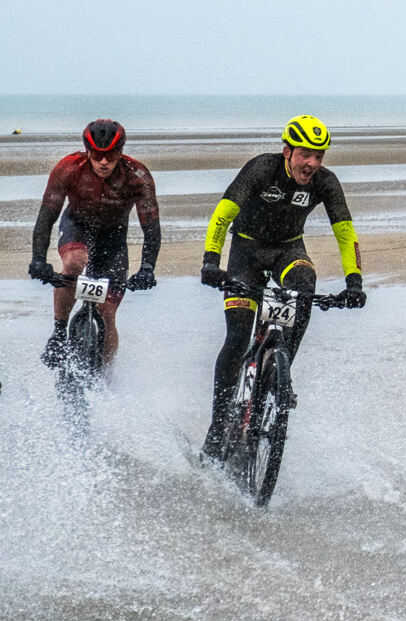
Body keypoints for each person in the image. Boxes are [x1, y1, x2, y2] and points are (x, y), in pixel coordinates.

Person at [199, 115, 366, 461]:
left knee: (305, 285)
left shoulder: (325, 182)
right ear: (288, 150)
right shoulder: (262, 169)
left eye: (319, 156)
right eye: (306, 154)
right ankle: (218, 424)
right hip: (245, 252)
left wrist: (354, 282)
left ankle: (280, 371)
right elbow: (222, 215)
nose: (312, 163)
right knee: (237, 336)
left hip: (287, 251)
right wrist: (211, 262)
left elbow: (345, 232)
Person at [28, 119, 160, 367]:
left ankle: (104, 376)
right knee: (75, 261)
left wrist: (147, 268)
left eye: (110, 155)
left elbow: (151, 228)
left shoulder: (137, 176)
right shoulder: (68, 168)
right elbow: (46, 218)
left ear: (120, 152)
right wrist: (38, 260)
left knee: (107, 313)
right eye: (98, 155)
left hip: (114, 236)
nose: (103, 162)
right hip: (77, 224)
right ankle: (58, 332)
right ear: (87, 151)